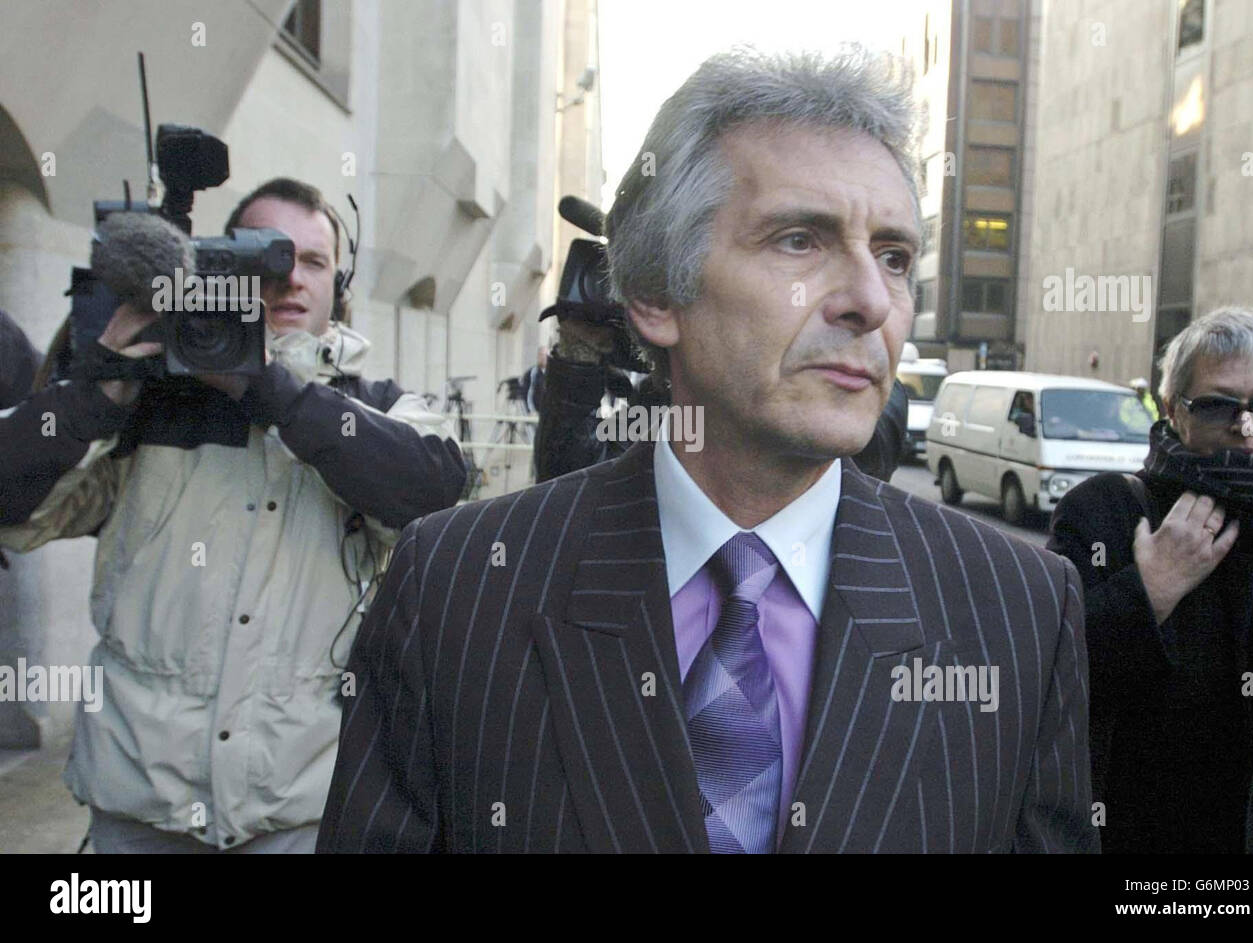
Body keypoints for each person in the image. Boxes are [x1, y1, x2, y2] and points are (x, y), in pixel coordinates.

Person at [319, 46, 1096, 854]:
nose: (872, 300)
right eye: (801, 240)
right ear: (656, 293)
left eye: (894, 257)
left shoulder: (1021, 613)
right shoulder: (456, 586)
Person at [0, 177, 466, 852]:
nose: (290, 278)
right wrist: (96, 389)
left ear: (340, 283)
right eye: (266, 255)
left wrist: (268, 389)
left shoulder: (379, 406)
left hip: (298, 819)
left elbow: (433, 491)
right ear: (217, 267)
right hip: (138, 815)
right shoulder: (146, 405)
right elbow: (15, 498)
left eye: (312, 260)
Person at [1048, 306, 1253, 853]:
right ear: (1172, 409)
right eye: (1217, 406)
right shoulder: (1106, 510)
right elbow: (1047, 682)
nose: (1247, 428)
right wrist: (1149, 590)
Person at [535, 317, 910, 482]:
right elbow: (573, 478)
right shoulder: (678, 401)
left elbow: (864, 463)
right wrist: (577, 359)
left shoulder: (864, 392)